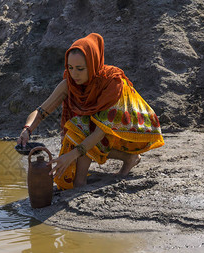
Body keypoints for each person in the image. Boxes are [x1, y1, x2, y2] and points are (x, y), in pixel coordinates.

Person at [17, 33, 164, 190]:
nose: (74, 74)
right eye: (70, 68)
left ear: (93, 64)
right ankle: (130, 158)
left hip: (134, 128)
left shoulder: (112, 82)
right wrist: (27, 130)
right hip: (104, 128)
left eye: (80, 69)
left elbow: (100, 132)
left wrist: (71, 155)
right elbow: (41, 111)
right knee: (78, 130)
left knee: (81, 128)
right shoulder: (70, 84)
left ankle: (80, 183)